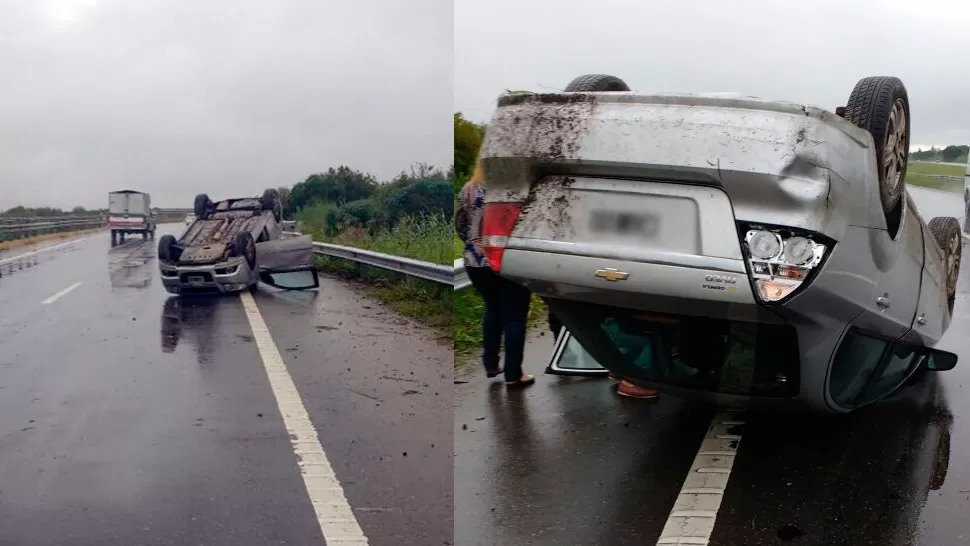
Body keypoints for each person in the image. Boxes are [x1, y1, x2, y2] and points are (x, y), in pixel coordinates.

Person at [456, 157, 535, 387]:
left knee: (492, 308)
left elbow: (461, 224)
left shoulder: (468, 189)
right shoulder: (513, 190)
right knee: (515, 317)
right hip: (507, 260)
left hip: (474, 261)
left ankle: (491, 364)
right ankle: (514, 374)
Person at [547, 309, 659, 399]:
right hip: (614, 326)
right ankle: (635, 381)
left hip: (603, 327)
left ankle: (621, 369)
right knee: (658, 337)